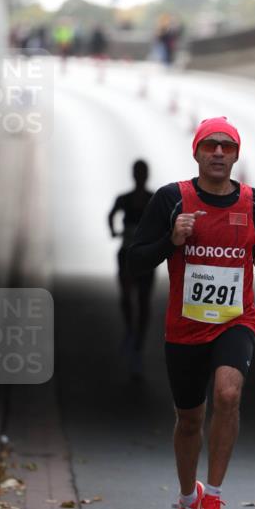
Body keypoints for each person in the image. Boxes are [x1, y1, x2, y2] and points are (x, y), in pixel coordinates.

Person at [127, 117, 255, 509]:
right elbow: (136, 261)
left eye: (226, 147)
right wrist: (171, 241)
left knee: (228, 395)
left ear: (236, 155)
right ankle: (186, 502)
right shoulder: (172, 199)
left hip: (236, 320)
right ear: (196, 152)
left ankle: (213, 501)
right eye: (209, 145)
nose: (217, 153)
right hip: (185, 327)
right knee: (190, 419)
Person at [108, 161, 155, 376]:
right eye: (138, 173)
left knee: (143, 302)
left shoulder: (153, 199)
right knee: (127, 296)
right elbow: (111, 215)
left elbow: (165, 221)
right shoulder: (125, 199)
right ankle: (130, 331)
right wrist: (114, 232)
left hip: (145, 257)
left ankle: (137, 344)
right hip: (128, 255)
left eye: (142, 173)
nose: (140, 176)